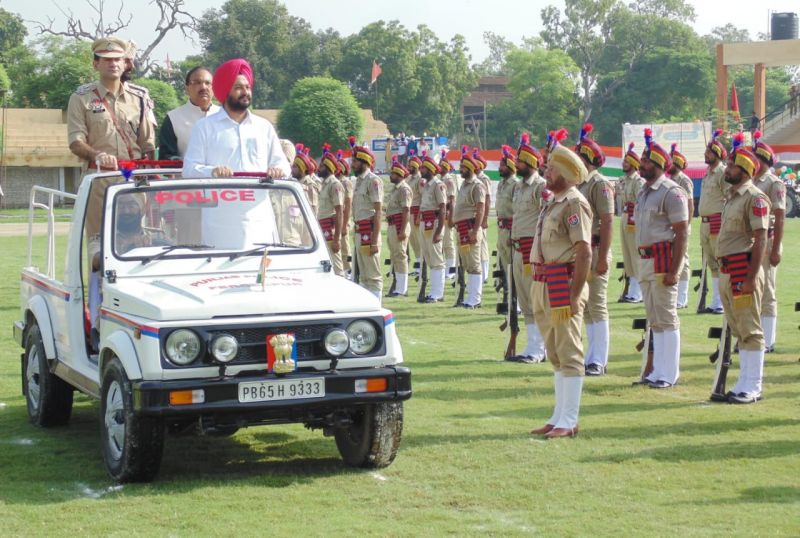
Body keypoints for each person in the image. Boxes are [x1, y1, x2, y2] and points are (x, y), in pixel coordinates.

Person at [66, 36, 156, 330]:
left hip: (133, 183)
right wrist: (98, 155)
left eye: (118, 58)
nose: (113, 63)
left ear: (125, 62)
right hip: (100, 183)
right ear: (96, 64)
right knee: (98, 254)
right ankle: (95, 320)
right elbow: (76, 142)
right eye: (106, 59)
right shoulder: (82, 98)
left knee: (138, 248)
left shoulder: (140, 97)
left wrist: (150, 178)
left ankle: (135, 315)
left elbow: (148, 144)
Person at [529, 144, 592, 439]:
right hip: (543, 282)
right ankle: (558, 416)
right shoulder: (553, 202)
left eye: (552, 169)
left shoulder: (574, 204)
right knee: (554, 352)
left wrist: (575, 293)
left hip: (561, 282)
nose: (546, 172)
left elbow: (584, 252)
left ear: (566, 173)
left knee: (569, 351)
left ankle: (569, 419)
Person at [716, 136, 770, 404]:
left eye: (731, 166)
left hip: (742, 270)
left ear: (745, 169)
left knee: (750, 328)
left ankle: (753, 385)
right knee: (739, 329)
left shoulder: (755, 197)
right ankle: (743, 382)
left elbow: (761, 238)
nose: (727, 169)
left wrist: (750, 278)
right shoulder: (731, 197)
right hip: (727, 270)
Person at [633, 131, 689, 389]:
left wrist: (675, 269)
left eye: (645, 161)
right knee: (654, 317)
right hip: (645, 259)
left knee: (667, 317)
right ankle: (657, 371)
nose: (641, 165)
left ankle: (669, 372)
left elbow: (681, 233)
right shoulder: (644, 191)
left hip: (663, 259)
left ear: (656, 164)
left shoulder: (671, 191)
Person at [182, 58, 289, 179]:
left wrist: (278, 171)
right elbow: (189, 170)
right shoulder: (204, 127)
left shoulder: (264, 127)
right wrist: (212, 172)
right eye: (238, 88)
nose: (245, 92)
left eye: (247, 87)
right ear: (225, 91)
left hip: (259, 198)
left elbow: (284, 166)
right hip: (220, 197)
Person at [575, 124, 614, 376]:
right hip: (581, 250)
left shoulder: (599, 184)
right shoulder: (579, 183)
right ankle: (590, 356)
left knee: (597, 304)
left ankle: (599, 359)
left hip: (597, 247)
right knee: (586, 305)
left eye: (579, 155)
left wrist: (602, 258)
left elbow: (608, 220)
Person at [509, 134, 547, 363]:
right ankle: (531, 347)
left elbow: (545, 219)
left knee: (536, 301)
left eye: (521, 161)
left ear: (532, 163)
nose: (516, 164)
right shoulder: (519, 187)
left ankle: (539, 349)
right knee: (524, 301)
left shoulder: (540, 187)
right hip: (517, 248)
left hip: (532, 250)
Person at [751, 130, 786, 353]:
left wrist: (775, 250)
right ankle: (755, 335)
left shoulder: (774, 183)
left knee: (768, 291)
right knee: (753, 289)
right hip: (752, 240)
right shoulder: (751, 180)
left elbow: (780, 216)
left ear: (763, 159)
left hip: (769, 239)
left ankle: (768, 340)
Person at [451, 146, 487, 309]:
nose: (461, 170)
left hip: (471, 227)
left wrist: (475, 229)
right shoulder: (464, 184)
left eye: (463, 167)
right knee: (466, 264)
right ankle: (469, 298)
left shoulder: (477, 185)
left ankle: (475, 299)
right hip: (461, 228)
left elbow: (480, 208)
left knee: (474, 264)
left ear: (471, 168)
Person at [698, 129, 728, 314]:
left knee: (721, 262)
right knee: (711, 263)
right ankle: (716, 301)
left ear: (717, 154)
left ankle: (722, 302)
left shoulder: (722, 173)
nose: (705, 155)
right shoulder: (708, 173)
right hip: (704, 223)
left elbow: (728, 197)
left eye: (709, 152)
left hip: (717, 222)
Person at [160, 66, 219, 159]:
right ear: (187, 88)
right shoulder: (173, 118)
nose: (203, 87)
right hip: (186, 173)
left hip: (223, 173)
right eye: (197, 83)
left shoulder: (225, 115)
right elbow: (165, 157)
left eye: (208, 83)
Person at [350, 140, 384, 298]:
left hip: (369, 233)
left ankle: (376, 306)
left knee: (373, 275)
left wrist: (375, 240)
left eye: (355, 161)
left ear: (364, 162)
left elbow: (378, 212)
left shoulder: (373, 181)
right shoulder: (359, 181)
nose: (352, 164)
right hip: (359, 232)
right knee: (363, 275)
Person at [418, 151, 447, 302]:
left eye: (423, 168)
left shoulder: (438, 185)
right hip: (424, 223)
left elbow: (442, 208)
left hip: (434, 223)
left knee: (436, 259)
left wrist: (439, 230)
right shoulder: (426, 186)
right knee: (429, 258)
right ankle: (433, 291)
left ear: (429, 169)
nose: (420, 170)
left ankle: (437, 293)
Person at [668, 144, 695, 308]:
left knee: (683, 261)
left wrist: (686, 227)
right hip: (672, 225)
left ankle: (682, 298)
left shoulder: (684, 181)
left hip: (682, 225)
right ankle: (675, 294)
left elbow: (690, 206)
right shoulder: (671, 180)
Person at [618, 142, 645, 303]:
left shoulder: (638, 181)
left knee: (635, 255)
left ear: (634, 164)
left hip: (634, 219)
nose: (623, 164)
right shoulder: (624, 180)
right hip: (625, 218)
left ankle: (638, 292)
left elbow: (641, 202)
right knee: (627, 255)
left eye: (627, 162)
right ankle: (632, 290)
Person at [385, 156, 413, 297]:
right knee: (395, 255)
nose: (391, 175)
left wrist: (402, 230)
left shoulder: (404, 189)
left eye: (393, 173)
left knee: (400, 255)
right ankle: (397, 286)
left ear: (399, 175)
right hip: (392, 224)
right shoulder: (396, 189)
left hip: (398, 225)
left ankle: (402, 289)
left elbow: (406, 210)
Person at [495, 144, 518, 310]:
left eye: (503, 165)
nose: (500, 168)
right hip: (501, 229)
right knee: (504, 265)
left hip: (511, 229)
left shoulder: (515, 185)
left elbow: (518, 211)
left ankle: (515, 299)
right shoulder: (501, 184)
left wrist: (514, 233)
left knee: (513, 267)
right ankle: (507, 296)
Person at [317, 144, 345, 276]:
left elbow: (339, 212)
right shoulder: (323, 184)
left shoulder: (335, 185)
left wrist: (337, 239)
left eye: (322, 166)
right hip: (322, 228)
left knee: (337, 266)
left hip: (331, 229)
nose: (319, 168)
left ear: (328, 168)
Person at [439, 149, 460, 279]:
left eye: (440, 165)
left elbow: (452, 200)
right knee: (441, 243)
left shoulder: (449, 181)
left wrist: (451, 217)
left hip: (447, 213)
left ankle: (451, 269)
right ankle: (445, 268)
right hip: (440, 214)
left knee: (448, 242)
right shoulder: (440, 179)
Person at [472, 148, 492, 282]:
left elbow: (488, 200)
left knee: (483, 245)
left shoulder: (484, 179)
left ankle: (484, 274)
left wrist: (485, 218)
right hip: (473, 216)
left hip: (481, 216)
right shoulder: (474, 179)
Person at [336, 149, 355, 278]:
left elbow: (348, 204)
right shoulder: (336, 182)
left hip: (344, 219)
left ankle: (348, 270)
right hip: (337, 218)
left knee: (345, 246)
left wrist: (345, 224)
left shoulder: (346, 182)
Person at [407, 152, 424, 275]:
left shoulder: (420, 180)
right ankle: (418, 266)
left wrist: (419, 216)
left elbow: (424, 197)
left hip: (416, 211)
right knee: (413, 240)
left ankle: (422, 266)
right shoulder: (409, 179)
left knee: (419, 240)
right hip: (409, 213)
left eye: (411, 166)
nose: (409, 168)